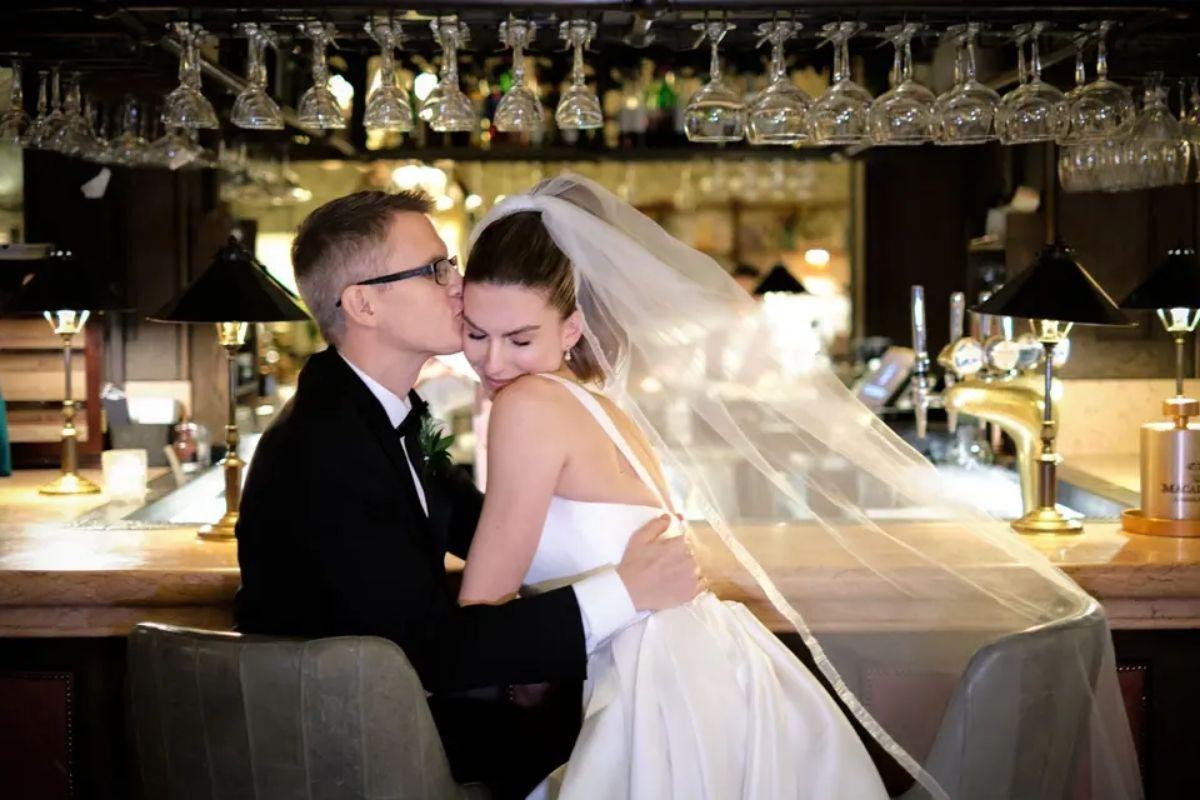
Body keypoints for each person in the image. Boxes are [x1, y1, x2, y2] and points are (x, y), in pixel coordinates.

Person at [456, 174, 1142, 800]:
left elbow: (482, 605)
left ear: (573, 325)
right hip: (708, 665)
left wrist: (526, 666)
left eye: (519, 338)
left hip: (665, 691)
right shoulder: (591, 396)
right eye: (475, 334)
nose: (493, 362)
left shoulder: (526, 405)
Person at [233, 189, 702, 799]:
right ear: (364, 303)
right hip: (340, 752)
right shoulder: (326, 448)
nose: (458, 284)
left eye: (450, 264)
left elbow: (496, 527)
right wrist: (625, 590)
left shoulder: (378, 416)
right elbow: (437, 653)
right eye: (434, 270)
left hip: (390, 715)